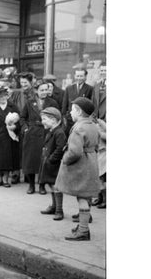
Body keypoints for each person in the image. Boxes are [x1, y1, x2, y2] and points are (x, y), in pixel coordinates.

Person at [55, 97, 100, 241]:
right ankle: (83, 225)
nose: (70, 112)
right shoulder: (93, 125)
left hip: (81, 166)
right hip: (91, 162)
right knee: (86, 196)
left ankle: (83, 230)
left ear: (79, 111)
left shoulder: (78, 128)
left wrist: (65, 159)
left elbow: (74, 151)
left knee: (81, 197)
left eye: (72, 110)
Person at [20, 80, 59, 194]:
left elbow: (58, 117)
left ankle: (42, 185)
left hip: (47, 133)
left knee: (44, 159)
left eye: (46, 90)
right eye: (42, 90)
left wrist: (53, 130)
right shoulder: (29, 102)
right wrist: (25, 129)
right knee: (30, 160)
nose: (44, 92)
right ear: (36, 91)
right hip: (32, 133)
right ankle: (31, 185)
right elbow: (22, 118)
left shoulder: (53, 102)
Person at [0, 87, 21, 187]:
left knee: (7, 159)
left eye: (4, 96)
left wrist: (15, 127)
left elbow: (19, 121)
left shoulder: (12, 106)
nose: (2, 98)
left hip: (9, 137)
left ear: (7, 96)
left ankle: (6, 179)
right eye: (0, 97)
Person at [38, 107, 67, 220]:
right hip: (49, 163)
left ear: (53, 120)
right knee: (51, 185)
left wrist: (51, 159)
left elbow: (60, 148)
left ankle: (59, 210)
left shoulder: (59, 133)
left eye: (44, 119)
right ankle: (54, 206)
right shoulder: (52, 131)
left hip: (54, 164)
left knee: (56, 186)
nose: (42, 122)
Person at [61, 68, 93, 135]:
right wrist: (64, 117)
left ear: (85, 77)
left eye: (81, 76)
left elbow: (91, 105)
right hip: (70, 119)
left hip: (83, 119)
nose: (79, 78)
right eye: (77, 76)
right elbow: (64, 105)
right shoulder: (69, 88)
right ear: (74, 76)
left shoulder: (90, 89)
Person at [92, 117, 106, 209]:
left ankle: (105, 200)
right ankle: (100, 197)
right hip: (99, 152)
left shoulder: (102, 126)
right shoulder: (97, 125)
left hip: (105, 153)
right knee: (98, 177)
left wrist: (100, 130)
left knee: (103, 178)